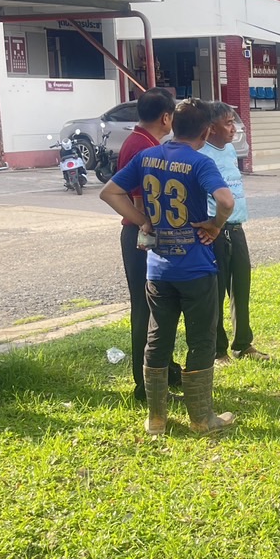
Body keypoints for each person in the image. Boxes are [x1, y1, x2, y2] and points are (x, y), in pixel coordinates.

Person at [101, 98, 236, 436]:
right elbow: (226, 200)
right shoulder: (200, 162)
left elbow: (110, 192)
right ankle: (201, 418)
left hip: (158, 269)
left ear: (172, 125)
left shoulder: (147, 157)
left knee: (157, 338)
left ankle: (156, 419)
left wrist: (142, 220)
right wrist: (215, 225)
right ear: (206, 132)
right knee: (201, 340)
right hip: (196, 268)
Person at [116, 87, 179, 402]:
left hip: (142, 234)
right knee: (147, 308)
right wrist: (144, 223)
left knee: (158, 306)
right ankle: (145, 383)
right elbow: (137, 199)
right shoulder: (144, 147)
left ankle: (165, 370)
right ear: (166, 117)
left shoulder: (141, 141)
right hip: (142, 237)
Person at [203, 101, 267, 363]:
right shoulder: (201, 154)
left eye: (233, 122)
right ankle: (218, 350)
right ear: (211, 128)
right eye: (228, 123)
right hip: (214, 229)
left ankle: (243, 344)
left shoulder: (229, 150)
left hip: (237, 227)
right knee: (216, 292)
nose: (234, 128)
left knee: (240, 288)